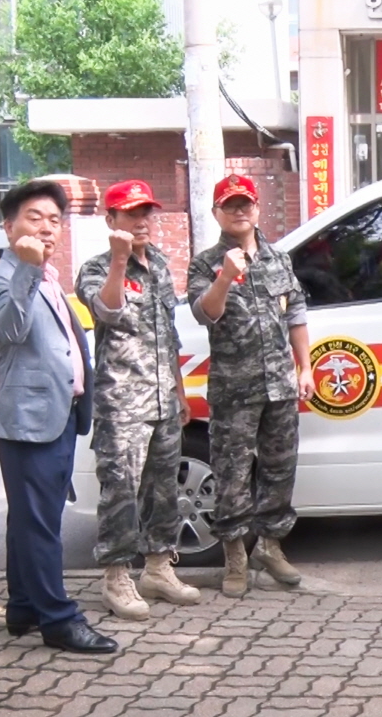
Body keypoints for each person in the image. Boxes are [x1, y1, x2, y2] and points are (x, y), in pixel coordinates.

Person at [0, 180, 117, 654]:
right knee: (40, 526)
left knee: (29, 519)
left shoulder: (47, 276)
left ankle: (23, 607)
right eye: (34, 218)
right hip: (27, 421)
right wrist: (27, 268)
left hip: (57, 415)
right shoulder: (1, 277)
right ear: (9, 226)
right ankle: (59, 621)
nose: (46, 228)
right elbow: (11, 329)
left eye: (54, 220)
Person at [75, 180, 201, 620]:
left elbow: (168, 334)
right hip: (122, 404)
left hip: (163, 398)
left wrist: (179, 391)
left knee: (164, 490)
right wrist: (119, 259)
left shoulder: (161, 264)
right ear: (111, 219)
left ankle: (158, 569)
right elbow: (107, 311)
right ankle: (115, 577)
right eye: (131, 213)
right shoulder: (95, 268)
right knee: (121, 492)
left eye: (146, 212)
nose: (141, 220)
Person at [188, 175, 315, 597]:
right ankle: (235, 558)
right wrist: (225, 277)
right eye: (230, 205)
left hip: (280, 384)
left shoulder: (279, 260)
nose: (240, 211)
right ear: (217, 213)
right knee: (232, 474)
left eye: (246, 203)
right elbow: (204, 314)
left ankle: (270, 547)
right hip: (234, 390)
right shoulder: (205, 264)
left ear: (258, 208)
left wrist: (305, 367)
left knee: (280, 468)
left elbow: (296, 314)